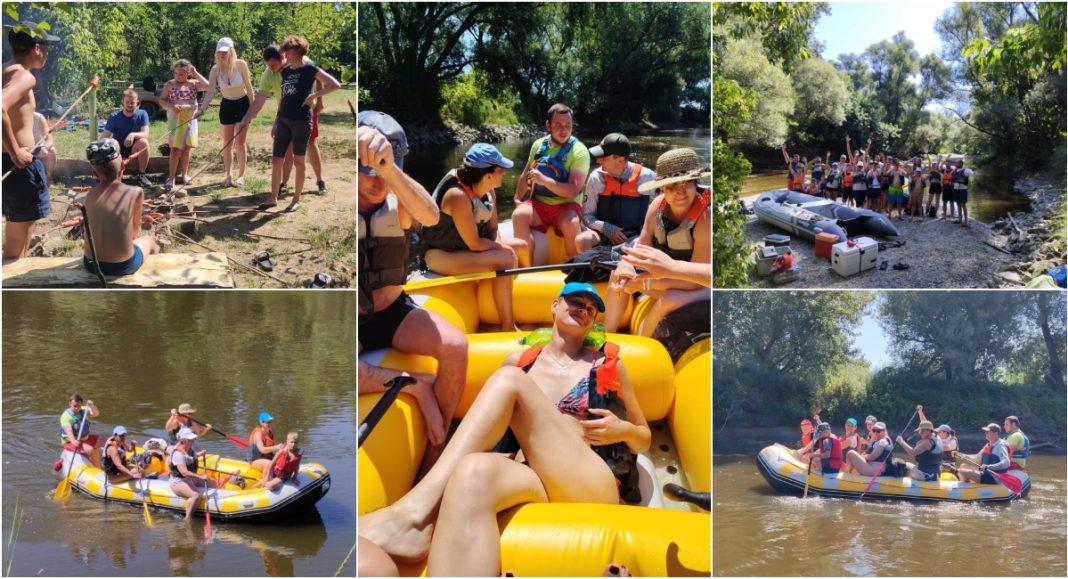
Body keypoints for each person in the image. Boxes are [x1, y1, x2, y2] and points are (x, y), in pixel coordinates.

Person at [359, 283, 650, 575]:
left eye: (591, 309)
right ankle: (415, 526)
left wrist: (623, 430)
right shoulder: (520, 362)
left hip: (589, 481)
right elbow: (490, 425)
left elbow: (644, 438)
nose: (583, 310)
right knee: (473, 471)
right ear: (555, 305)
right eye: (576, 301)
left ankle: (412, 514)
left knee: (509, 380)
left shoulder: (607, 366)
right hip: (531, 477)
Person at [358, 110, 467, 466]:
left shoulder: (399, 199)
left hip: (393, 313)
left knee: (455, 345)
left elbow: (431, 216)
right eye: (368, 170)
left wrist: (389, 169)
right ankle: (415, 384)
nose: (378, 182)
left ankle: (435, 454)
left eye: (385, 169)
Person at [604, 148, 710, 336]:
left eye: (687, 184)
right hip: (668, 278)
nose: (680, 193)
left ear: (696, 183)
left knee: (670, 298)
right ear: (661, 188)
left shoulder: (706, 217)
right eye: (671, 187)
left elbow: (695, 282)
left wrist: (645, 284)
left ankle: (640, 343)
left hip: (702, 284)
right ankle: (607, 336)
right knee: (618, 274)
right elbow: (641, 251)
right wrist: (627, 265)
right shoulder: (656, 207)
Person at [422, 143, 524, 330]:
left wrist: (501, 247)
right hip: (441, 255)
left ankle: (514, 293)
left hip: (467, 249)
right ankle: (508, 326)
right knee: (506, 260)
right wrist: (502, 252)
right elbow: (474, 243)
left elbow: (493, 228)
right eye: (500, 170)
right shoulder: (457, 196)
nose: (504, 173)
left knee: (521, 246)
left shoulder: (488, 189)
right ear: (488, 175)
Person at [258, 35, 340, 212]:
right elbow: (284, 98)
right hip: (283, 119)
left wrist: (314, 96)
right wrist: (276, 121)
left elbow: (335, 84)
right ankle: (272, 199)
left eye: (287, 52)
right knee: (276, 159)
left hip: (301, 120)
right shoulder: (285, 71)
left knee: (299, 160)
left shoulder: (310, 69)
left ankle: (296, 200)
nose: (285, 55)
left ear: (296, 51)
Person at [2, 24, 59, 259]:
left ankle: (16, 264)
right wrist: (15, 152)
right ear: (36, 48)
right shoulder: (24, 76)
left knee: (21, 221)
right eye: (46, 47)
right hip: (17, 163)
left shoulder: (6, 69)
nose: (47, 53)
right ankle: (12, 275)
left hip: (11, 160)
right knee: (21, 225)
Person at [512, 103, 590, 259]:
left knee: (571, 223)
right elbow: (526, 174)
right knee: (518, 215)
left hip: (567, 206)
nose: (563, 130)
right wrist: (517, 198)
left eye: (568, 125)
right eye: (558, 125)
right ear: (548, 125)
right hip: (539, 204)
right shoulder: (538, 145)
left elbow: (572, 191)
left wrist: (545, 181)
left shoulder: (580, 152)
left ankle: (574, 269)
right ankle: (525, 268)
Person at [81, 138, 160, 276]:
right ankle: (155, 273)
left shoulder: (90, 195)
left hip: (90, 264)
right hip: (121, 266)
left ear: (94, 173)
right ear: (123, 166)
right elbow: (134, 233)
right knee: (149, 241)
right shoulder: (135, 192)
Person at [574, 133, 656, 252]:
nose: (598, 160)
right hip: (603, 235)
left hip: (635, 237)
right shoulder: (596, 178)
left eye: (604, 158)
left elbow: (661, 212)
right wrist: (606, 228)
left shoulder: (647, 177)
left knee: (641, 244)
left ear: (620, 160)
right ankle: (587, 264)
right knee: (582, 240)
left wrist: (645, 233)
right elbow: (587, 216)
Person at [197, 37, 255, 187]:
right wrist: (201, 109)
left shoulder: (241, 64)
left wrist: (253, 108)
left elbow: (249, 87)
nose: (222, 54)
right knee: (227, 142)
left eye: (225, 51)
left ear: (231, 51)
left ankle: (241, 176)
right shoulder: (215, 70)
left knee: (240, 142)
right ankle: (228, 175)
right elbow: (210, 93)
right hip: (226, 105)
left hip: (242, 104)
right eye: (219, 51)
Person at [160, 59, 207, 192]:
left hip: (190, 119)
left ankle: (184, 174)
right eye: (175, 73)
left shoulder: (194, 83)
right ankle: (171, 178)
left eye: (181, 74)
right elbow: (162, 100)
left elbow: (208, 86)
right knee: (175, 148)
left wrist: (196, 73)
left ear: (188, 73)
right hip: (175, 119)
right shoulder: (170, 84)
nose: (178, 76)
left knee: (186, 148)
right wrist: (171, 106)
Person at [168, 428, 224, 520]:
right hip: (178, 481)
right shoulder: (177, 454)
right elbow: (184, 472)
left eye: (193, 439)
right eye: (190, 439)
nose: (192, 441)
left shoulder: (190, 449)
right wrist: (200, 477)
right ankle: (188, 518)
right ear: (184, 441)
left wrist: (199, 454)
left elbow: (188, 457)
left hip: (190, 479)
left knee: (214, 483)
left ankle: (220, 502)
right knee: (196, 495)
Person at [101, 87, 152, 187]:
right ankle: (113, 177)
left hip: (134, 150)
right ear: (122, 102)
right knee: (112, 141)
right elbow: (105, 136)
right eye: (127, 102)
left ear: (137, 103)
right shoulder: (114, 116)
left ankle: (141, 175)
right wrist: (97, 146)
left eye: (132, 102)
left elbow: (145, 134)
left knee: (144, 142)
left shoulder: (142, 114)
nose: (129, 105)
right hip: (118, 150)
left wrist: (133, 134)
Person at [618, 244, 710, 288]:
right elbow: (641, 247)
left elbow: (695, 283)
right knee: (619, 274)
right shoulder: (654, 212)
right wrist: (628, 263)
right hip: (664, 281)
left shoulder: (706, 219)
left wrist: (671, 267)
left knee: (668, 299)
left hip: (697, 288)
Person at [60, 393, 102, 468]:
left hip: (84, 438)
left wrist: (92, 406)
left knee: (103, 440)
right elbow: (68, 430)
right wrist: (73, 440)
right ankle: (96, 467)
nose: (77, 408)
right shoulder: (66, 416)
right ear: (70, 404)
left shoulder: (83, 410)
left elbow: (96, 414)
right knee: (90, 449)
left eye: (79, 406)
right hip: (70, 441)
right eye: (75, 406)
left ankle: (101, 463)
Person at [31, 112, 56, 182]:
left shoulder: (38, 117)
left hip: (38, 148)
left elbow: (49, 139)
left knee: (51, 151)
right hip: (23, 150)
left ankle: (48, 177)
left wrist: (45, 147)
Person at [951, 159, 973, 226]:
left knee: (963, 205)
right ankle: (960, 219)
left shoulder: (965, 170)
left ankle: (966, 221)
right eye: (956, 163)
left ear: (961, 164)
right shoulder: (955, 170)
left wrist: (969, 169)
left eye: (957, 163)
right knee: (958, 204)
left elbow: (971, 173)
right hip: (956, 190)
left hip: (962, 190)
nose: (956, 164)